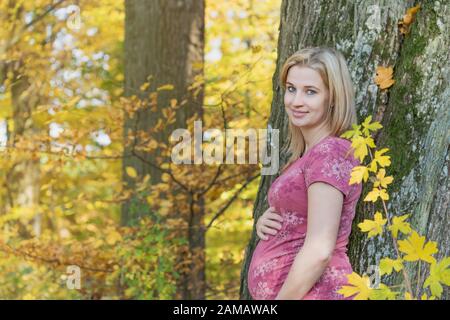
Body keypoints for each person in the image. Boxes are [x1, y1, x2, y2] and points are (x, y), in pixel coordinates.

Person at [247, 47, 363, 300]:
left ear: (332, 97)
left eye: (310, 92)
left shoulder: (331, 152)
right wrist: (271, 220)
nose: (296, 101)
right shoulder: (309, 155)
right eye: (291, 89)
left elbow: (321, 248)